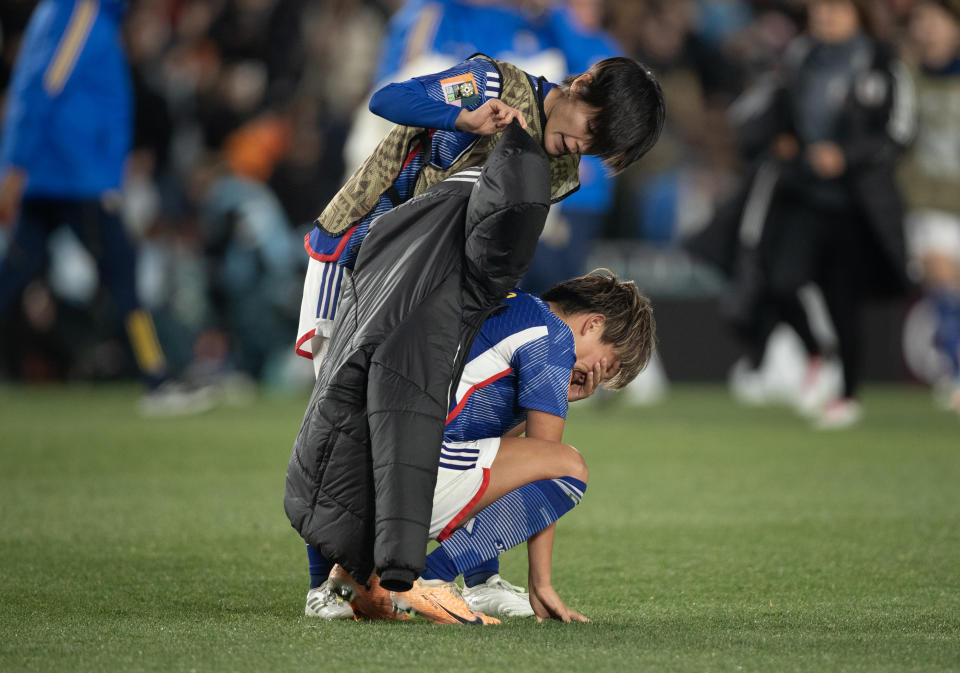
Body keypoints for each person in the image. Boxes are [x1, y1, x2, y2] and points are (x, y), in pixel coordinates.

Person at [316, 268, 654, 624]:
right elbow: (547, 465)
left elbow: (484, 444)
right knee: (570, 466)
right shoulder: (552, 336)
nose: (597, 375)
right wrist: (542, 584)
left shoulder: (512, 307)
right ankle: (427, 577)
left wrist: (557, 398)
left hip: (354, 473)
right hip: (402, 477)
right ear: (593, 324)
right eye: (609, 362)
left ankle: (358, 577)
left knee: (497, 458)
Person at [295, 51, 664, 372]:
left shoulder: (560, 171)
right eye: (590, 127)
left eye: (596, 146)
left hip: (424, 281)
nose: (581, 145)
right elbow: (388, 99)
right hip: (356, 249)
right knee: (340, 400)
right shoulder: (486, 85)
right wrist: (463, 119)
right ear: (582, 85)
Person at [705, 0, 915, 428]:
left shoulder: (882, 62)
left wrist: (846, 156)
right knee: (778, 279)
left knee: (844, 301)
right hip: (802, 192)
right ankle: (816, 352)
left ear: (858, 15)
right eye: (821, 10)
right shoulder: (800, 55)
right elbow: (775, 110)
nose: (826, 18)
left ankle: (848, 393)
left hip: (856, 203)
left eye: (837, 10)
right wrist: (783, 143)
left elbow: (898, 133)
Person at [0, 0, 207, 414]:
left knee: (14, 275)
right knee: (123, 271)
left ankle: (157, 378)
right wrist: (15, 166)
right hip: (75, 176)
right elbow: (39, 88)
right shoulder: (75, 14)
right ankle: (156, 378)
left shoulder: (87, 16)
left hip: (66, 172)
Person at [900, 0, 960, 414]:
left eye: (938, 22)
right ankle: (957, 373)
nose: (929, 31)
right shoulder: (907, 80)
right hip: (927, 201)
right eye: (922, 23)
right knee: (943, 283)